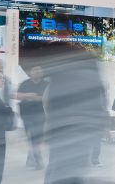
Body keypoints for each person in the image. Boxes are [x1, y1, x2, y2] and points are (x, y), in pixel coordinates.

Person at [43, 43, 106, 184]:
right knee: (69, 169)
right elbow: (98, 102)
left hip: (64, 131)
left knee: (60, 167)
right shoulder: (89, 74)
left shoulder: (61, 75)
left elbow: (50, 104)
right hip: (76, 131)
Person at [17, 65, 49, 169]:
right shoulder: (25, 83)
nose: (37, 72)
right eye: (35, 70)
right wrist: (27, 96)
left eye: (39, 70)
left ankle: (34, 158)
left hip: (41, 114)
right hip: (26, 114)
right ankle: (35, 158)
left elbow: (48, 98)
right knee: (32, 137)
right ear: (30, 72)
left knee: (37, 138)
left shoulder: (46, 84)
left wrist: (36, 98)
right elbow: (16, 95)